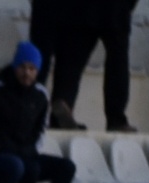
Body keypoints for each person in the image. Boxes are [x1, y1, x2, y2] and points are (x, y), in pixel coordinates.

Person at [0, 42, 76, 183]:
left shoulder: (41, 94)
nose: (27, 73)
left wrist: (31, 149)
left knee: (67, 167)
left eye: (32, 68)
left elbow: (41, 128)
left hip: (28, 152)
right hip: (2, 152)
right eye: (22, 67)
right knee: (30, 169)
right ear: (15, 67)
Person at [49, 0, 139, 132]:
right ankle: (116, 119)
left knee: (72, 57)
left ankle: (62, 103)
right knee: (117, 62)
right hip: (116, 8)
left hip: (82, 7)